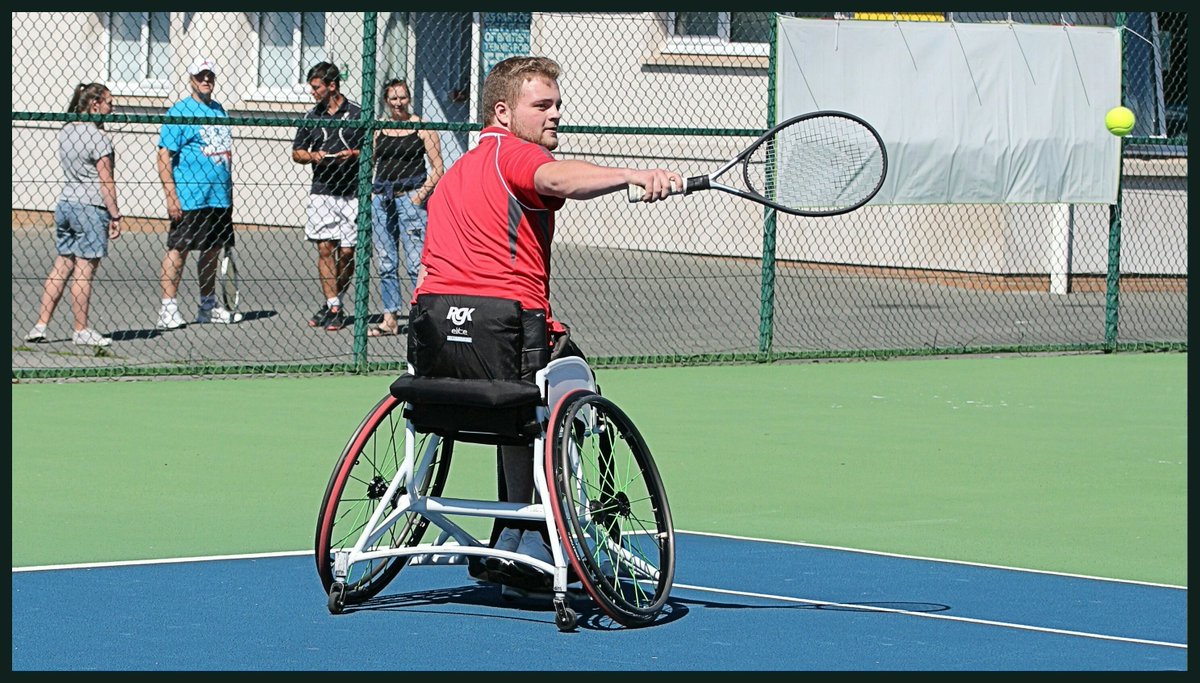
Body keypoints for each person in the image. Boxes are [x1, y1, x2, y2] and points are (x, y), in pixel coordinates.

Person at [412, 56, 680, 586]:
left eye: (557, 103)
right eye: (543, 105)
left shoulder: (455, 174)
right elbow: (554, 177)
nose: (556, 113)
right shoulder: (514, 156)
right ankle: (546, 529)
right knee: (570, 377)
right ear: (503, 111)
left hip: (437, 353)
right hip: (512, 344)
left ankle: (511, 531)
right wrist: (633, 174)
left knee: (515, 392)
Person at [25, 83, 122, 348]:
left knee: (62, 264)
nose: (112, 108)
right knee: (84, 269)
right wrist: (115, 215)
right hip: (90, 208)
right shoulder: (98, 138)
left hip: (66, 204)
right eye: (109, 102)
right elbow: (106, 180)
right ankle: (81, 329)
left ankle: (40, 325)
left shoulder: (67, 131)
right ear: (95, 105)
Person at [155, 56, 241, 330]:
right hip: (190, 198)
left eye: (210, 76)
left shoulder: (220, 110)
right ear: (191, 79)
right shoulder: (179, 112)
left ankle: (208, 305)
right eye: (200, 75)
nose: (206, 80)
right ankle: (168, 309)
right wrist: (171, 196)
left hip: (219, 198)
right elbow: (163, 155)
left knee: (212, 250)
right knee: (178, 249)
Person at [367, 79, 444, 338]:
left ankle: (422, 318)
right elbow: (369, 162)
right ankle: (390, 317)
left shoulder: (422, 128)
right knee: (386, 261)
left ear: (409, 98)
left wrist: (420, 196)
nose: (398, 103)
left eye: (402, 98)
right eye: (393, 98)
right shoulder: (379, 129)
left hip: (411, 198)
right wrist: (370, 192)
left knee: (415, 263)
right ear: (386, 101)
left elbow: (438, 168)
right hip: (382, 197)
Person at [292, 62, 364, 332]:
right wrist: (313, 156)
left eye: (316, 87)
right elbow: (297, 152)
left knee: (347, 252)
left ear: (332, 86)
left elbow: (371, 148)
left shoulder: (356, 113)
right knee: (325, 248)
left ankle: (335, 300)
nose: (312, 92)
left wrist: (354, 154)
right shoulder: (311, 117)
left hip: (352, 191)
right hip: (323, 191)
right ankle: (333, 305)